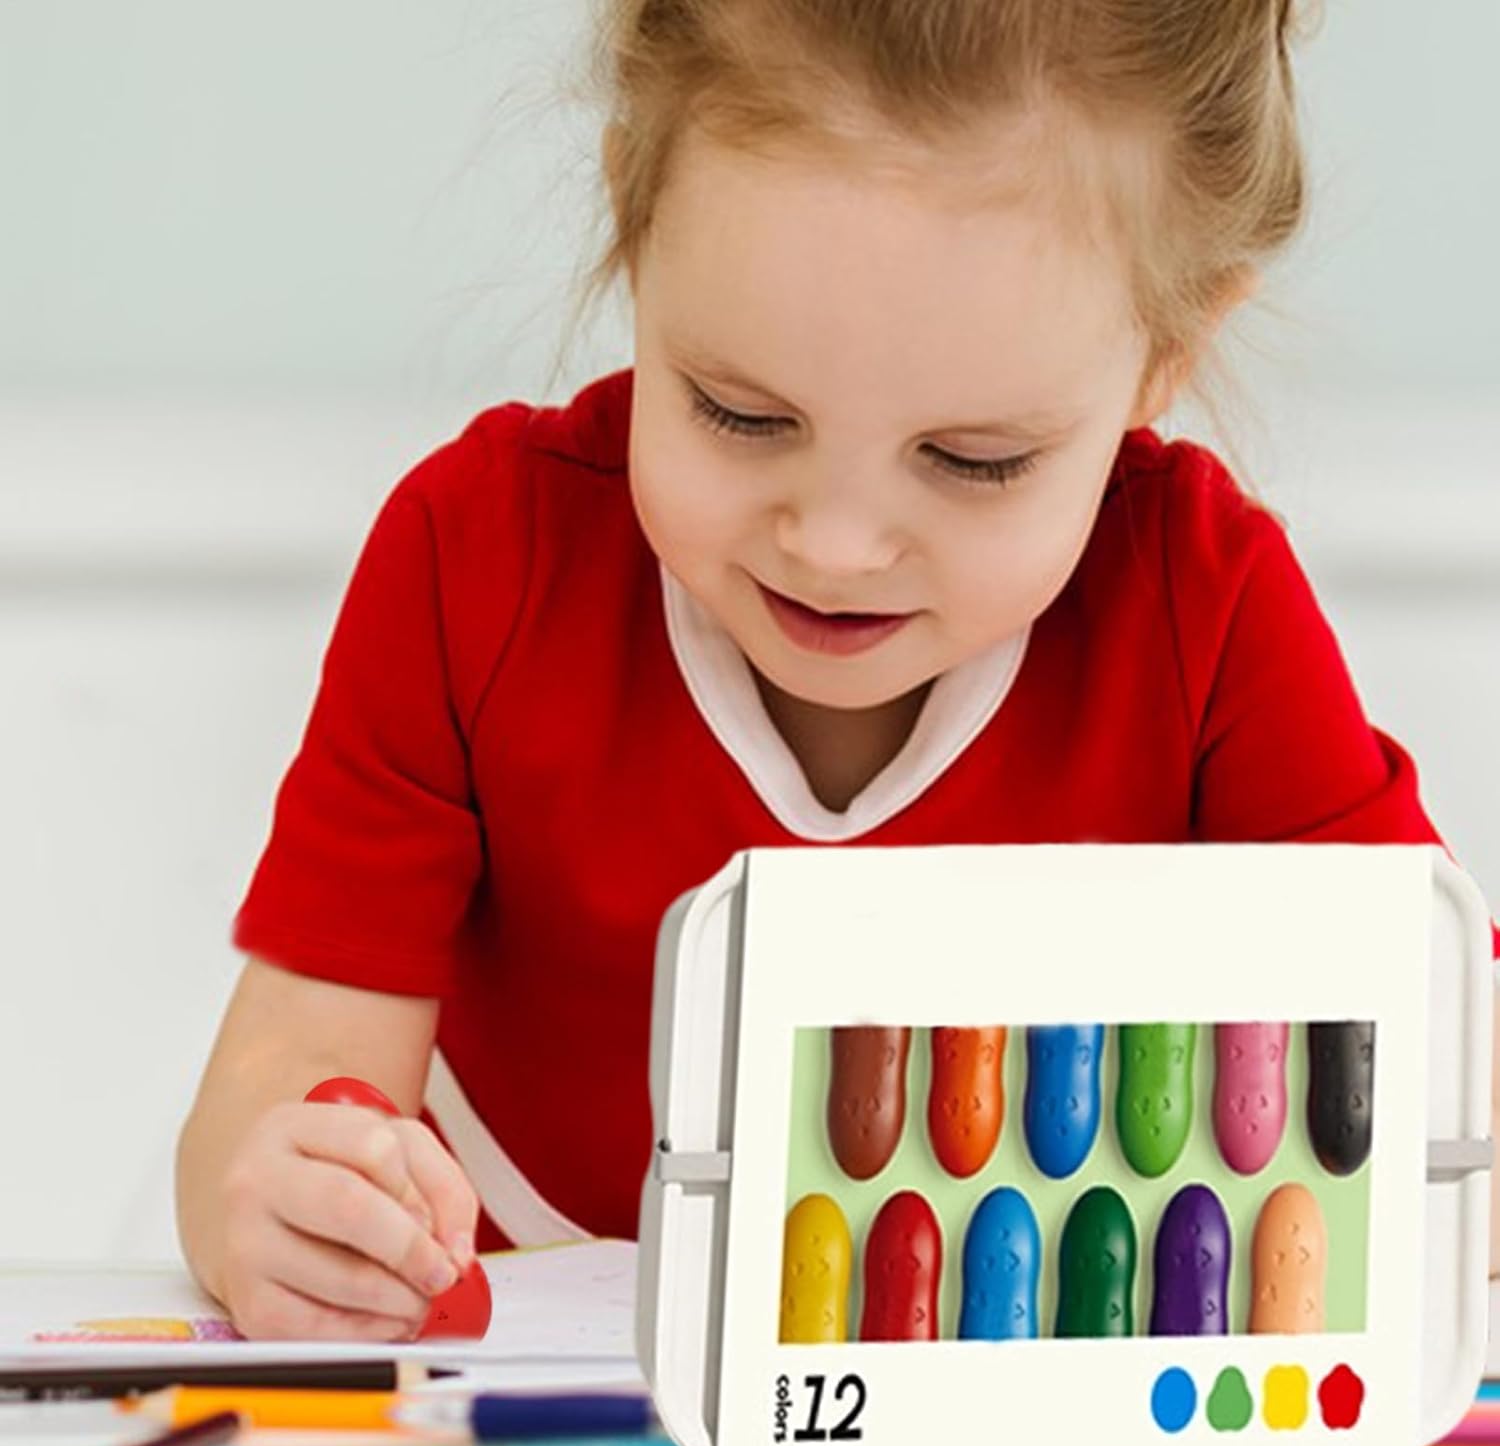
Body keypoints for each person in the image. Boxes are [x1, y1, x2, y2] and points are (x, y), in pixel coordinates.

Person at [176, 0, 1499, 1341]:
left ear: (1171, 350)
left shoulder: (1201, 610)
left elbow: (1457, 1074)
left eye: (974, 461)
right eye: (740, 415)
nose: (835, 546)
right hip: (514, 1391)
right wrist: (284, 1203)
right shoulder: (477, 562)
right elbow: (280, 1083)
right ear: (632, 210)